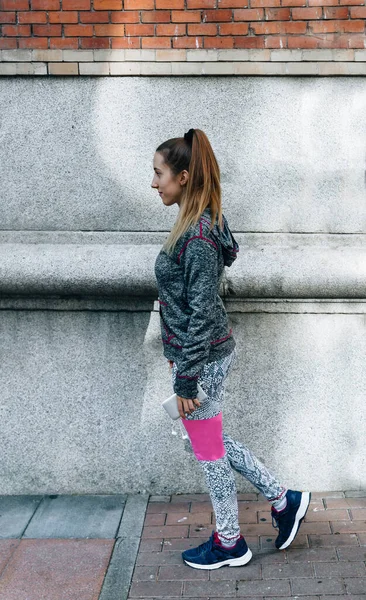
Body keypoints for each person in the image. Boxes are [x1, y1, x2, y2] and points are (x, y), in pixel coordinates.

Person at [152, 128, 311, 570]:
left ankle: (230, 543)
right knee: (209, 442)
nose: (153, 182)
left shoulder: (199, 236)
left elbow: (202, 311)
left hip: (202, 358)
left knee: (207, 450)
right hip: (198, 355)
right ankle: (284, 500)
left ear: (183, 177)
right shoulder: (196, 222)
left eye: (158, 173)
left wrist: (185, 376)